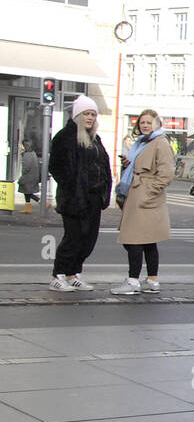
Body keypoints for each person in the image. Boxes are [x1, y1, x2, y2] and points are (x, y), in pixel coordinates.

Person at [46, 94, 112, 292]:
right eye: (86, 114)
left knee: (88, 239)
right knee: (74, 237)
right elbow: (56, 166)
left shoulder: (95, 139)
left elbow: (102, 164)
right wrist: (71, 185)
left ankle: (73, 273)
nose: (90, 118)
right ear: (77, 115)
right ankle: (57, 275)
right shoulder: (65, 136)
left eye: (93, 114)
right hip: (75, 197)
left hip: (93, 197)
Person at [110, 109, 174, 295]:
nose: (145, 125)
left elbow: (166, 174)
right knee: (147, 241)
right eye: (142, 122)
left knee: (134, 240)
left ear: (157, 124)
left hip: (144, 197)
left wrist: (147, 193)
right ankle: (152, 280)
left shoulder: (160, 143)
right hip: (137, 193)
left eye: (149, 122)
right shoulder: (143, 142)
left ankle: (133, 281)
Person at [17, 141, 39, 214]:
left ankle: (43, 203)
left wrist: (22, 176)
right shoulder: (33, 153)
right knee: (27, 192)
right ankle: (28, 208)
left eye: (22, 145)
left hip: (28, 177)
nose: (20, 147)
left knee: (27, 192)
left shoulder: (27, 155)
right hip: (32, 176)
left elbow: (26, 168)